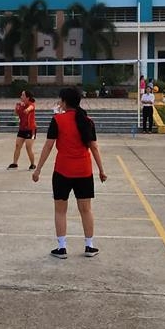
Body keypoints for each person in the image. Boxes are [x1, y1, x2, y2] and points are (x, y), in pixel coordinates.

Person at [32, 87, 107, 259]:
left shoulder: (58, 120)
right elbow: (94, 147)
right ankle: (89, 246)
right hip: (84, 171)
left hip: (62, 172)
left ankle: (62, 248)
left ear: (64, 102)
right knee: (86, 210)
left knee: (60, 210)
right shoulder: (87, 121)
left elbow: (48, 146)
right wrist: (101, 170)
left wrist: (38, 169)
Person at [10, 90, 37, 170]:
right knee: (18, 146)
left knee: (28, 147)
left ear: (27, 97)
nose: (21, 97)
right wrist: (17, 108)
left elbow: (30, 108)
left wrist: (27, 109)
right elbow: (15, 113)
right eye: (21, 95)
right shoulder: (19, 105)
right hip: (22, 128)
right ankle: (15, 163)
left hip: (31, 129)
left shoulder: (31, 104)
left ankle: (32, 164)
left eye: (23, 95)